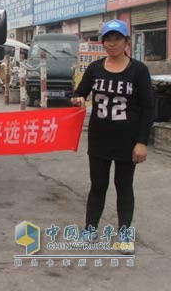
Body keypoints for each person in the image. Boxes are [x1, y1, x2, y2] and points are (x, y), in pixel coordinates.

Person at [71, 20, 153, 254]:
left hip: (128, 142)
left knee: (124, 187)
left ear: (126, 41)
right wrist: (77, 99)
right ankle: (90, 232)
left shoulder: (138, 70)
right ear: (102, 42)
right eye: (107, 39)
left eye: (117, 39)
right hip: (99, 139)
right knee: (98, 185)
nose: (112, 43)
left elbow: (148, 108)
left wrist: (141, 142)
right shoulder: (95, 68)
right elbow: (80, 93)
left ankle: (125, 237)